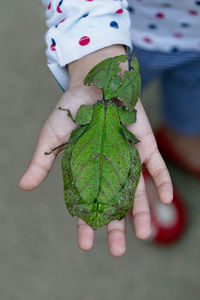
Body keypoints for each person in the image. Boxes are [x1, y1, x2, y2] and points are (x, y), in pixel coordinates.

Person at [19, 0, 200, 256]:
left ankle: (180, 137)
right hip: (129, 38)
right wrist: (96, 53)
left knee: (191, 98)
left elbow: (83, 115)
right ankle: (143, 169)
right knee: (136, 141)